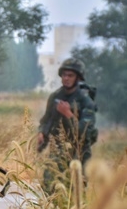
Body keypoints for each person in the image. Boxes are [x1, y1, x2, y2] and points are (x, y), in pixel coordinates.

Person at [37, 58, 97, 192]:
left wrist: (68, 114)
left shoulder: (85, 100)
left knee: (77, 190)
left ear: (78, 78)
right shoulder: (55, 97)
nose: (66, 78)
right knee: (49, 185)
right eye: (64, 75)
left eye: (70, 75)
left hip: (80, 152)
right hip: (58, 149)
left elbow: (84, 132)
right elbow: (46, 120)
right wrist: (42, 133)